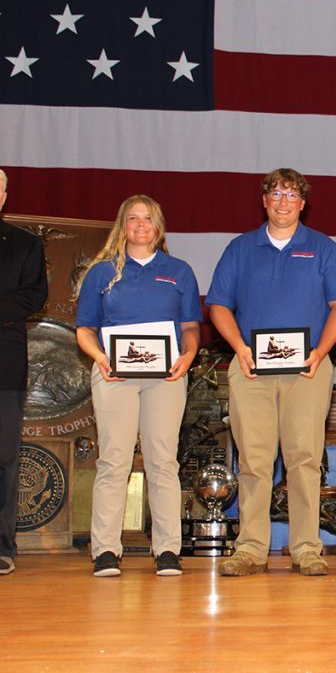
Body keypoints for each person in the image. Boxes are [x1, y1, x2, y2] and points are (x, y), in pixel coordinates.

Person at [207, 168, 336, 577]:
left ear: (303, 203)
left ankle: (306, 548)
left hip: (307, 369)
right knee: (254, 460)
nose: (283, 201)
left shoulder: (322, 248)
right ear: (264, 200)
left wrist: (320, 351)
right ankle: (251, 548)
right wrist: (240, 348)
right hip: (251, 369)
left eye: (291, 194)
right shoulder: (240, 249)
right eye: (275, 193)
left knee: (304, 459)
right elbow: (218, 304)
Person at [75, 195, 201, 577]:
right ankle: (106, 550)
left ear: (159, 226)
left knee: (163, 461)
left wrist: (188, 356)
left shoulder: (178, 271)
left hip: (166, 378)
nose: (141, 225)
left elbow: (191, 327)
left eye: (148, 218)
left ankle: (167, 550)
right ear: (122, 225)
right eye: (133, 218)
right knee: (114, 460)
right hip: (114, 376)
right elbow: (84, 330)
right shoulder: (102, 272)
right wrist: (100, 358)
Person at [0, 169, 48, 576]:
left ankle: (2, 546)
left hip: (5, 362)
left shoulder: (25, 244)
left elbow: (34, 294)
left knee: (4, 456)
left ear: (3, 196)